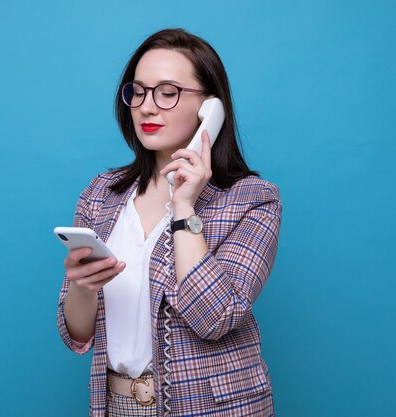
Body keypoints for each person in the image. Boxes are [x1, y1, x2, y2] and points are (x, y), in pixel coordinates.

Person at [57, 28, 282, 416]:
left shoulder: (253, 199)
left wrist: (184, 208)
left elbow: (214, 318)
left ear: (211, 108)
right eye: (138, 91)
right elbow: (77, 333)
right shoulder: (102, 194)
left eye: (167, 92)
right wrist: (82, 286)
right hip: (118, 405)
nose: (147, 106)